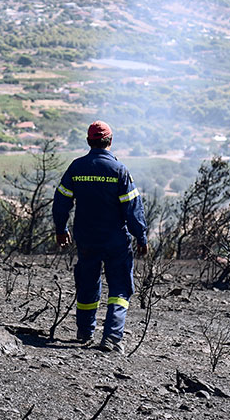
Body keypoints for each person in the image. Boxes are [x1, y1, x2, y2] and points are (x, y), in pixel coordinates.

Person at [52, 120, 147, 353]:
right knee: (121, 288)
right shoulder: (119, 171)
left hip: (86, 239)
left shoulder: (76, 168)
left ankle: (85, 332)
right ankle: (112, 338)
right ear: (110, 142)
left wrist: (61, 229)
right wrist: (141, 237)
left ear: (88, 141)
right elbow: (132, 208)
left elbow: (61, 202)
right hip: (115, 240)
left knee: (87, 284)